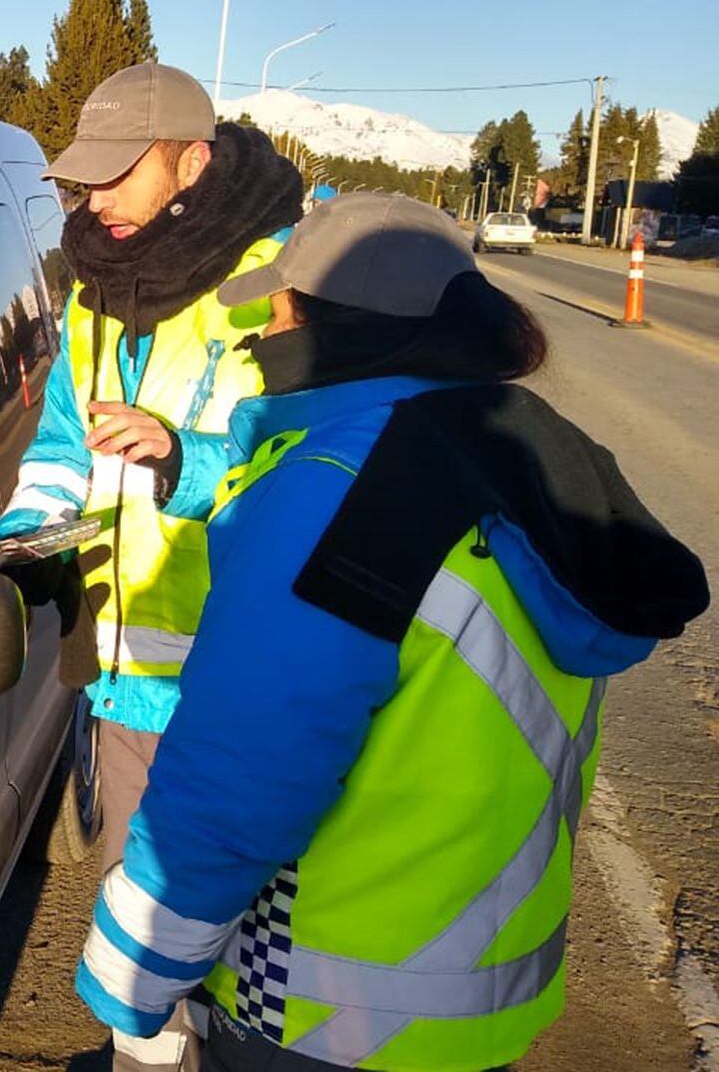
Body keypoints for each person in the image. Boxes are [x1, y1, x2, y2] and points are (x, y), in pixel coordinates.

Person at [74, 194, 708, 1071]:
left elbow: (244, 769)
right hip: (470, 1002)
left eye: (281, 303)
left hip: (312, 1007)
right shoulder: (504, 452)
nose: (266, 324)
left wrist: (130, 972)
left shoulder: (333, 491)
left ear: (329, 322)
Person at [0, 62, 305, 1070]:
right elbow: (57, 452)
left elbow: (299, 468)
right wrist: (18, 549)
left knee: (248, 939)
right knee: (142, 935)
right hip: (123, 683)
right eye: (83, 180)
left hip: (237, 686)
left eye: (118, 176)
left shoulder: (271, 288)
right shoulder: (90, 293)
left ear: (192, 162)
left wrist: (178, 456)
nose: (95, 203)